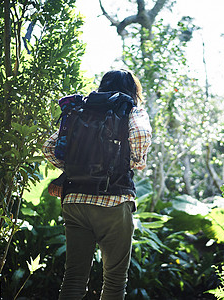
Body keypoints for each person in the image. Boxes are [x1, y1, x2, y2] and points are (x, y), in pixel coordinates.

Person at [42, 69, 152, 300]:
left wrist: (73, 168)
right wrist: (136, 160)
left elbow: (49, 147)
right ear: (132, 89)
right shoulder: (130, 108)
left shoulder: (81, 108)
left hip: (74, 201)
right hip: (113, 200)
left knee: (73, 278)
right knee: (114, 281)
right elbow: (141, 134)